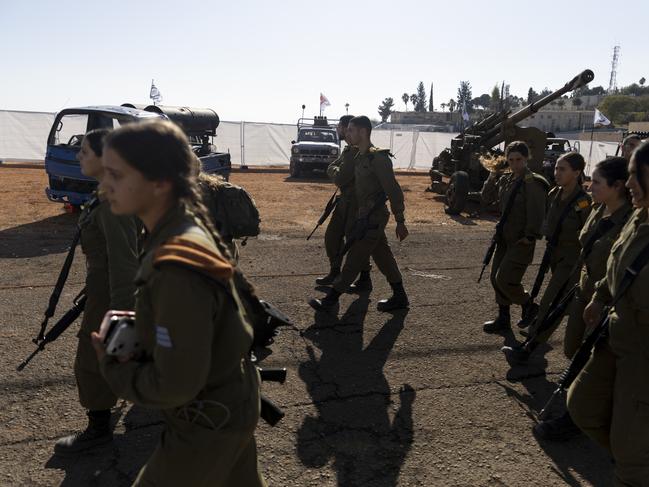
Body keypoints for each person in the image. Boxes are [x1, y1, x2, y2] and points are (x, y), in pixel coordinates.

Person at [93, 121, 266, 486]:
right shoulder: (182, 228)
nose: (103, 185)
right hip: (229, 406)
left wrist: (114, 366)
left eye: (116, 174)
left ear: (159, 183)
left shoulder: (175, 263)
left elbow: (176, 385)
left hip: (207, 422)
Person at [532, 157, 632, 440]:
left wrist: (603, 297)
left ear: (618, 186)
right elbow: (584, 246)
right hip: (584, 288)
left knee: (589, 359)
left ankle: (574, 418)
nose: (590, 186)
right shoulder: (598, 208)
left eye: (597, 182)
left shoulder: (629, 222)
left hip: (608, 298)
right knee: (571, 347)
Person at [568, 140, 649, 485]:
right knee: (582, 405)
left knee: (631, 458)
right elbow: (618, 263)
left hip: (643, 355)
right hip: (616, 335)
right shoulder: (639, 219)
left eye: (635, 174)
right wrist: (600, 296)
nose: (628, 183)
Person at [54, 129, 139, 455]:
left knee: (90, 360)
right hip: (102, 290)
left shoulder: (114, 204)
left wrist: (121, 317)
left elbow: (125, 265)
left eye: (84, 151)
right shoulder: (107, 195)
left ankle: (98, 429)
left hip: (111, 296)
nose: (79, 156)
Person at [309, 115, 409, 312]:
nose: (348, 134)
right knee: (383, 256)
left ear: (363, 132)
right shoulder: (357, 157)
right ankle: (400, 296)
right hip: (364, 215)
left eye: (352, 130)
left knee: (355, 257)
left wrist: (400, 220)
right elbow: (342, 178)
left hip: (374, 216)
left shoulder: (378, 159)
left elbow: (393, 190)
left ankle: (331, 299)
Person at [502, 152, 592, 357]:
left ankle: (530, 346)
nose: (556, 173)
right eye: (556, 168)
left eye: (563, 169)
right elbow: (547, 224)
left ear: (577, 173)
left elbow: (588, 234)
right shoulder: (553, 194)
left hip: (571, 260)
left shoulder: (583, 202)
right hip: (554, 255)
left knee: (551, 301)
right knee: (563, 303)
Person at [480, 141, 549, 333]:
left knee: (505, 278)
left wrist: (531, 236)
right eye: (511, 160)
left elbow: (536, 211)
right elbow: (485, 198)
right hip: (504, 239)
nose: (515, 164)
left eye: (519, 159)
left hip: (521, 240)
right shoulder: (506, 179)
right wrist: (492, 175)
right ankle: (503, 319)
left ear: (526, 159)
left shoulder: (533, 182)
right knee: (495, 278)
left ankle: (529, 305)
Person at [315, 114, 372, 291]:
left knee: (356, 241)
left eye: (342, 127)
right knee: (333, 237)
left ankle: (363, 278)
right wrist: (334, 169)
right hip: (345, 201)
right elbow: (334, 168)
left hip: (356, 203)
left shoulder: (355, 151)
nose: (339, 130)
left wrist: (333, 170)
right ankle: (335, 271)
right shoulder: (348, 150)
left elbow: (339, 176)